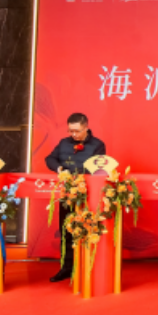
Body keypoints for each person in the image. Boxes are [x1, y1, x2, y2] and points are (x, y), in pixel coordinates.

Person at [45, 112, 106, 283]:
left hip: (88, 196)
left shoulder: (98, 145)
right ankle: (67, 267)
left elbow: (99, 169)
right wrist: (59, 169)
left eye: (77, 131)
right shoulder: (64, 143)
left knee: (87, 230)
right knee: (66, 231)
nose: (74, 134)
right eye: (70, 131)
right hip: (67, 194)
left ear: (86, 128)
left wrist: (80, 176)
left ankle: (87, 267)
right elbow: (50, 158)